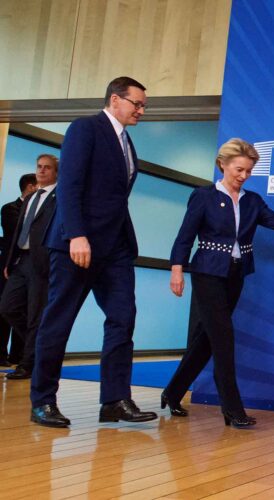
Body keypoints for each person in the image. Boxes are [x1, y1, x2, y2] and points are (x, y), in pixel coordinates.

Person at [162, 138, 274, 428]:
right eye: (239, 169)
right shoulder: (203, 196)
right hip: (207, 273)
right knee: (224, 338)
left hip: (235, 275)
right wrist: (176, 270)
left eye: (249, 171)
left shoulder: (252, 201)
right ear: (223, 165)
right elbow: (185, 235)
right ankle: (232, 409)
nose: (243, 176)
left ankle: (173, 392)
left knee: (207, 339)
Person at [29, 76, 157, 428]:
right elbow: (69, 184)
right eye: (138, 104)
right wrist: (77, 235)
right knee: (58, 321)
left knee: (122, 317)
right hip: (78, 244)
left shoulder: (126, 142)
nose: (142, 111)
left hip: (115, 248)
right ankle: (42, 401)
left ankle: (114, 399)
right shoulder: (85, 129)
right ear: (116, 100)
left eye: (143, 105)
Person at [0, 154, 58, 380]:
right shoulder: (30, 199)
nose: (41, 171)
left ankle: (28, 363)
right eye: (39, 167)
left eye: (47, 168)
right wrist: (9, 261)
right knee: (7, 307)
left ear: (55, 173)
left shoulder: (58, 198)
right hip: (19, 261)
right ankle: (40, 347)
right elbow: (16, 233)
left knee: (35, 314)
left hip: (41, 262)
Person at [0, 173, 38, 366]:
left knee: (26, 310)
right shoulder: (10, 209)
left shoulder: (40, 210)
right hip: (9, 265)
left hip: (31, 266)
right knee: (6, 309)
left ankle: (20, 354)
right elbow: (18, 231)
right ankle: (1, 354)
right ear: (30, 187)